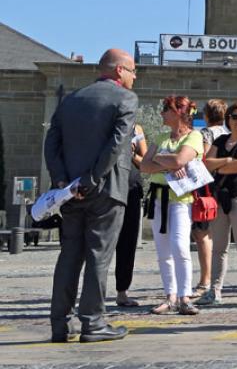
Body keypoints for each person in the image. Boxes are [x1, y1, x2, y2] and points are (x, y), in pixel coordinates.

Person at [45, 48, 138, 343]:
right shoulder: (125, 98)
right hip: (107, 190)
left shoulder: (71, 99)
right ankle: (93, 322)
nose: (135, 77)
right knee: (99, 255)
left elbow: (52, 142)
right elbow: (117, 143)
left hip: (70, 191)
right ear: (119, 70)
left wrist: (63, 181)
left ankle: (60, 323)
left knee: (69, 255)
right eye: (133, 71)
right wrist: (92, 178)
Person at [140, 95, 203, 316]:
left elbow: (180, 161)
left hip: (181, 199)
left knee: (179, 246)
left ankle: (185, 296)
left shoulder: (194, 137)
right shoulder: (161, 136)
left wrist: (161, 159)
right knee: (162, 249)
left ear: (178, 113)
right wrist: (167, 163)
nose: (162, 113)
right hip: (159, 198)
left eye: (166, 108)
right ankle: (170, 296)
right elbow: (144, 166)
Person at [198, 102, 237, 306]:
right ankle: (215, 290)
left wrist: (220, 165)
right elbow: (206, 164)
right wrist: (227, 162)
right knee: (219, 247)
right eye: (235, 116)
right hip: (219, 198)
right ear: (228, 119)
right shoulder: (221, 139)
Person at [192, 99, 228, 299]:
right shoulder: (226, 133)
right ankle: (213, 279)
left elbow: (204, 159)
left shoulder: (206, 133)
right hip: (223, 187)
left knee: (202, 234)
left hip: (207, 189)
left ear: (206, 115)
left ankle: (205, 279)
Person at [113, 121, 147, 308]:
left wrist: (131, 153)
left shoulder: (137, 129)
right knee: (102, 243)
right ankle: (93, 292)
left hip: (131, 189)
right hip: (108, 189)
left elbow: (145, 161)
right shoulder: (104, 125)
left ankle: (122, 291)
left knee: (128, 242)